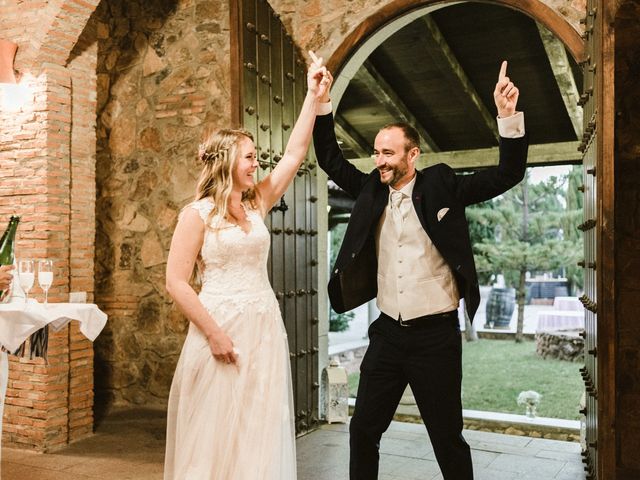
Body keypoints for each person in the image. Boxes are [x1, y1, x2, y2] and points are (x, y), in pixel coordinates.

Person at [313, 61, 528, 480]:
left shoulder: (442, 185)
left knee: (447, 438)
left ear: (413, 154)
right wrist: (322, 102)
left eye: (388, 152)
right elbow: (331, 160)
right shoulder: (372, 189)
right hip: (388, 336)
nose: (380, 160)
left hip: (435, 338)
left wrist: (507, 117)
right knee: (363, 430)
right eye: (376, 152)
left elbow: (507, 173)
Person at [163, 54, 331, 480]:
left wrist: (313, 97)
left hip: (263, 326)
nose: (256, 163)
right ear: (224, 165)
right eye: (249, 157)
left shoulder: (257, 201)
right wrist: (215, 334)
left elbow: (294, 153)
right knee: (214, 428)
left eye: (256, 156)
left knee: (257, 425)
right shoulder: (196, 215)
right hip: (219, 325)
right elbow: (176, 282)